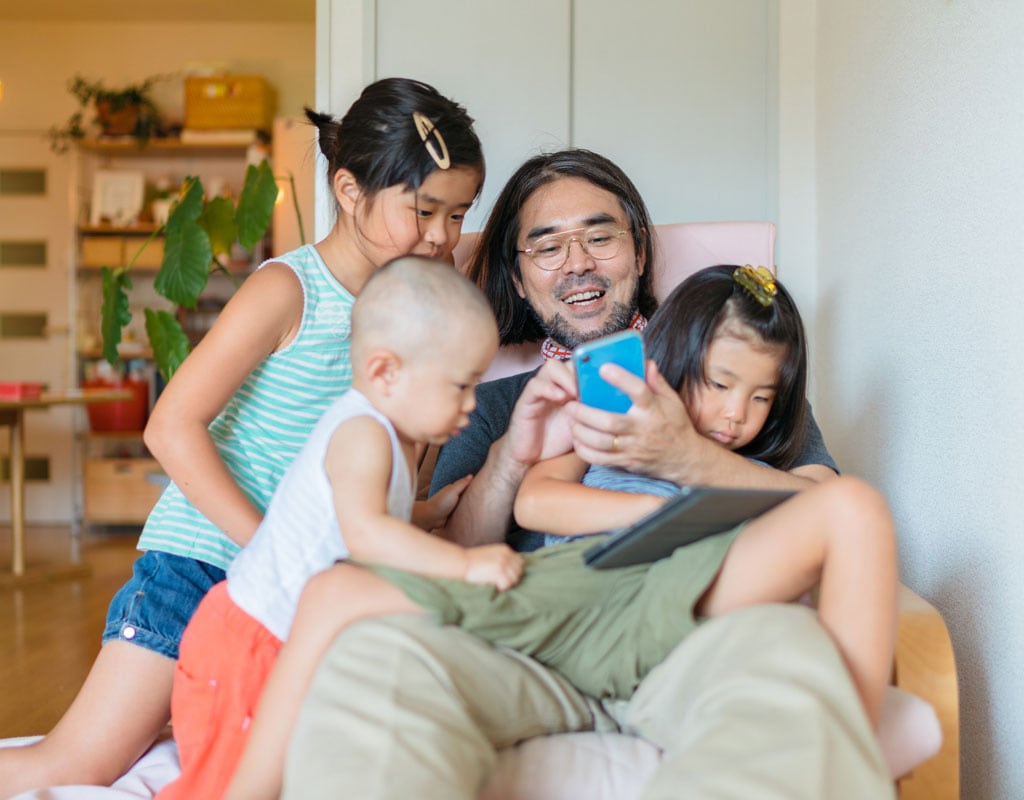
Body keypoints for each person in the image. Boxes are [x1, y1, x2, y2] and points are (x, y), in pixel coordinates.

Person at [282, 149, 895, 799]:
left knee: (792, 668)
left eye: (599, 237)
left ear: (637, 252)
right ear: (519, 279)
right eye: (547, 247)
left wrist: (691, 460)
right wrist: (513, 456)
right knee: (377, 661)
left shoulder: (732, 374)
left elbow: (827, 505)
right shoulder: (475, 400)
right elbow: (456, 554)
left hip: (703, 631)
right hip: (526, 640)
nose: (576, 261)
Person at [0, 77, 485, 798]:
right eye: (424, 210)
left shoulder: (409, 307)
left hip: (277, 593)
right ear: (348, 190)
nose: (443, 235)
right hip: (201, 567)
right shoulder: (291, 291)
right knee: (73, 766)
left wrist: (420, 514)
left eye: (457, 213)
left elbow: (324, 480)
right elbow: (170, 427)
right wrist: (267, 546)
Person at [156, 256, 517, 800]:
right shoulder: (362, 434)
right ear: (384, 372)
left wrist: (429, 510)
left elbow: (351, 513)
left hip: (290, 636)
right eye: (460, 387)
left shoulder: (387, 435)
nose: (470, 406)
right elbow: (366, 533)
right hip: (250, 640)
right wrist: (465, 564)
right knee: (229, 781)